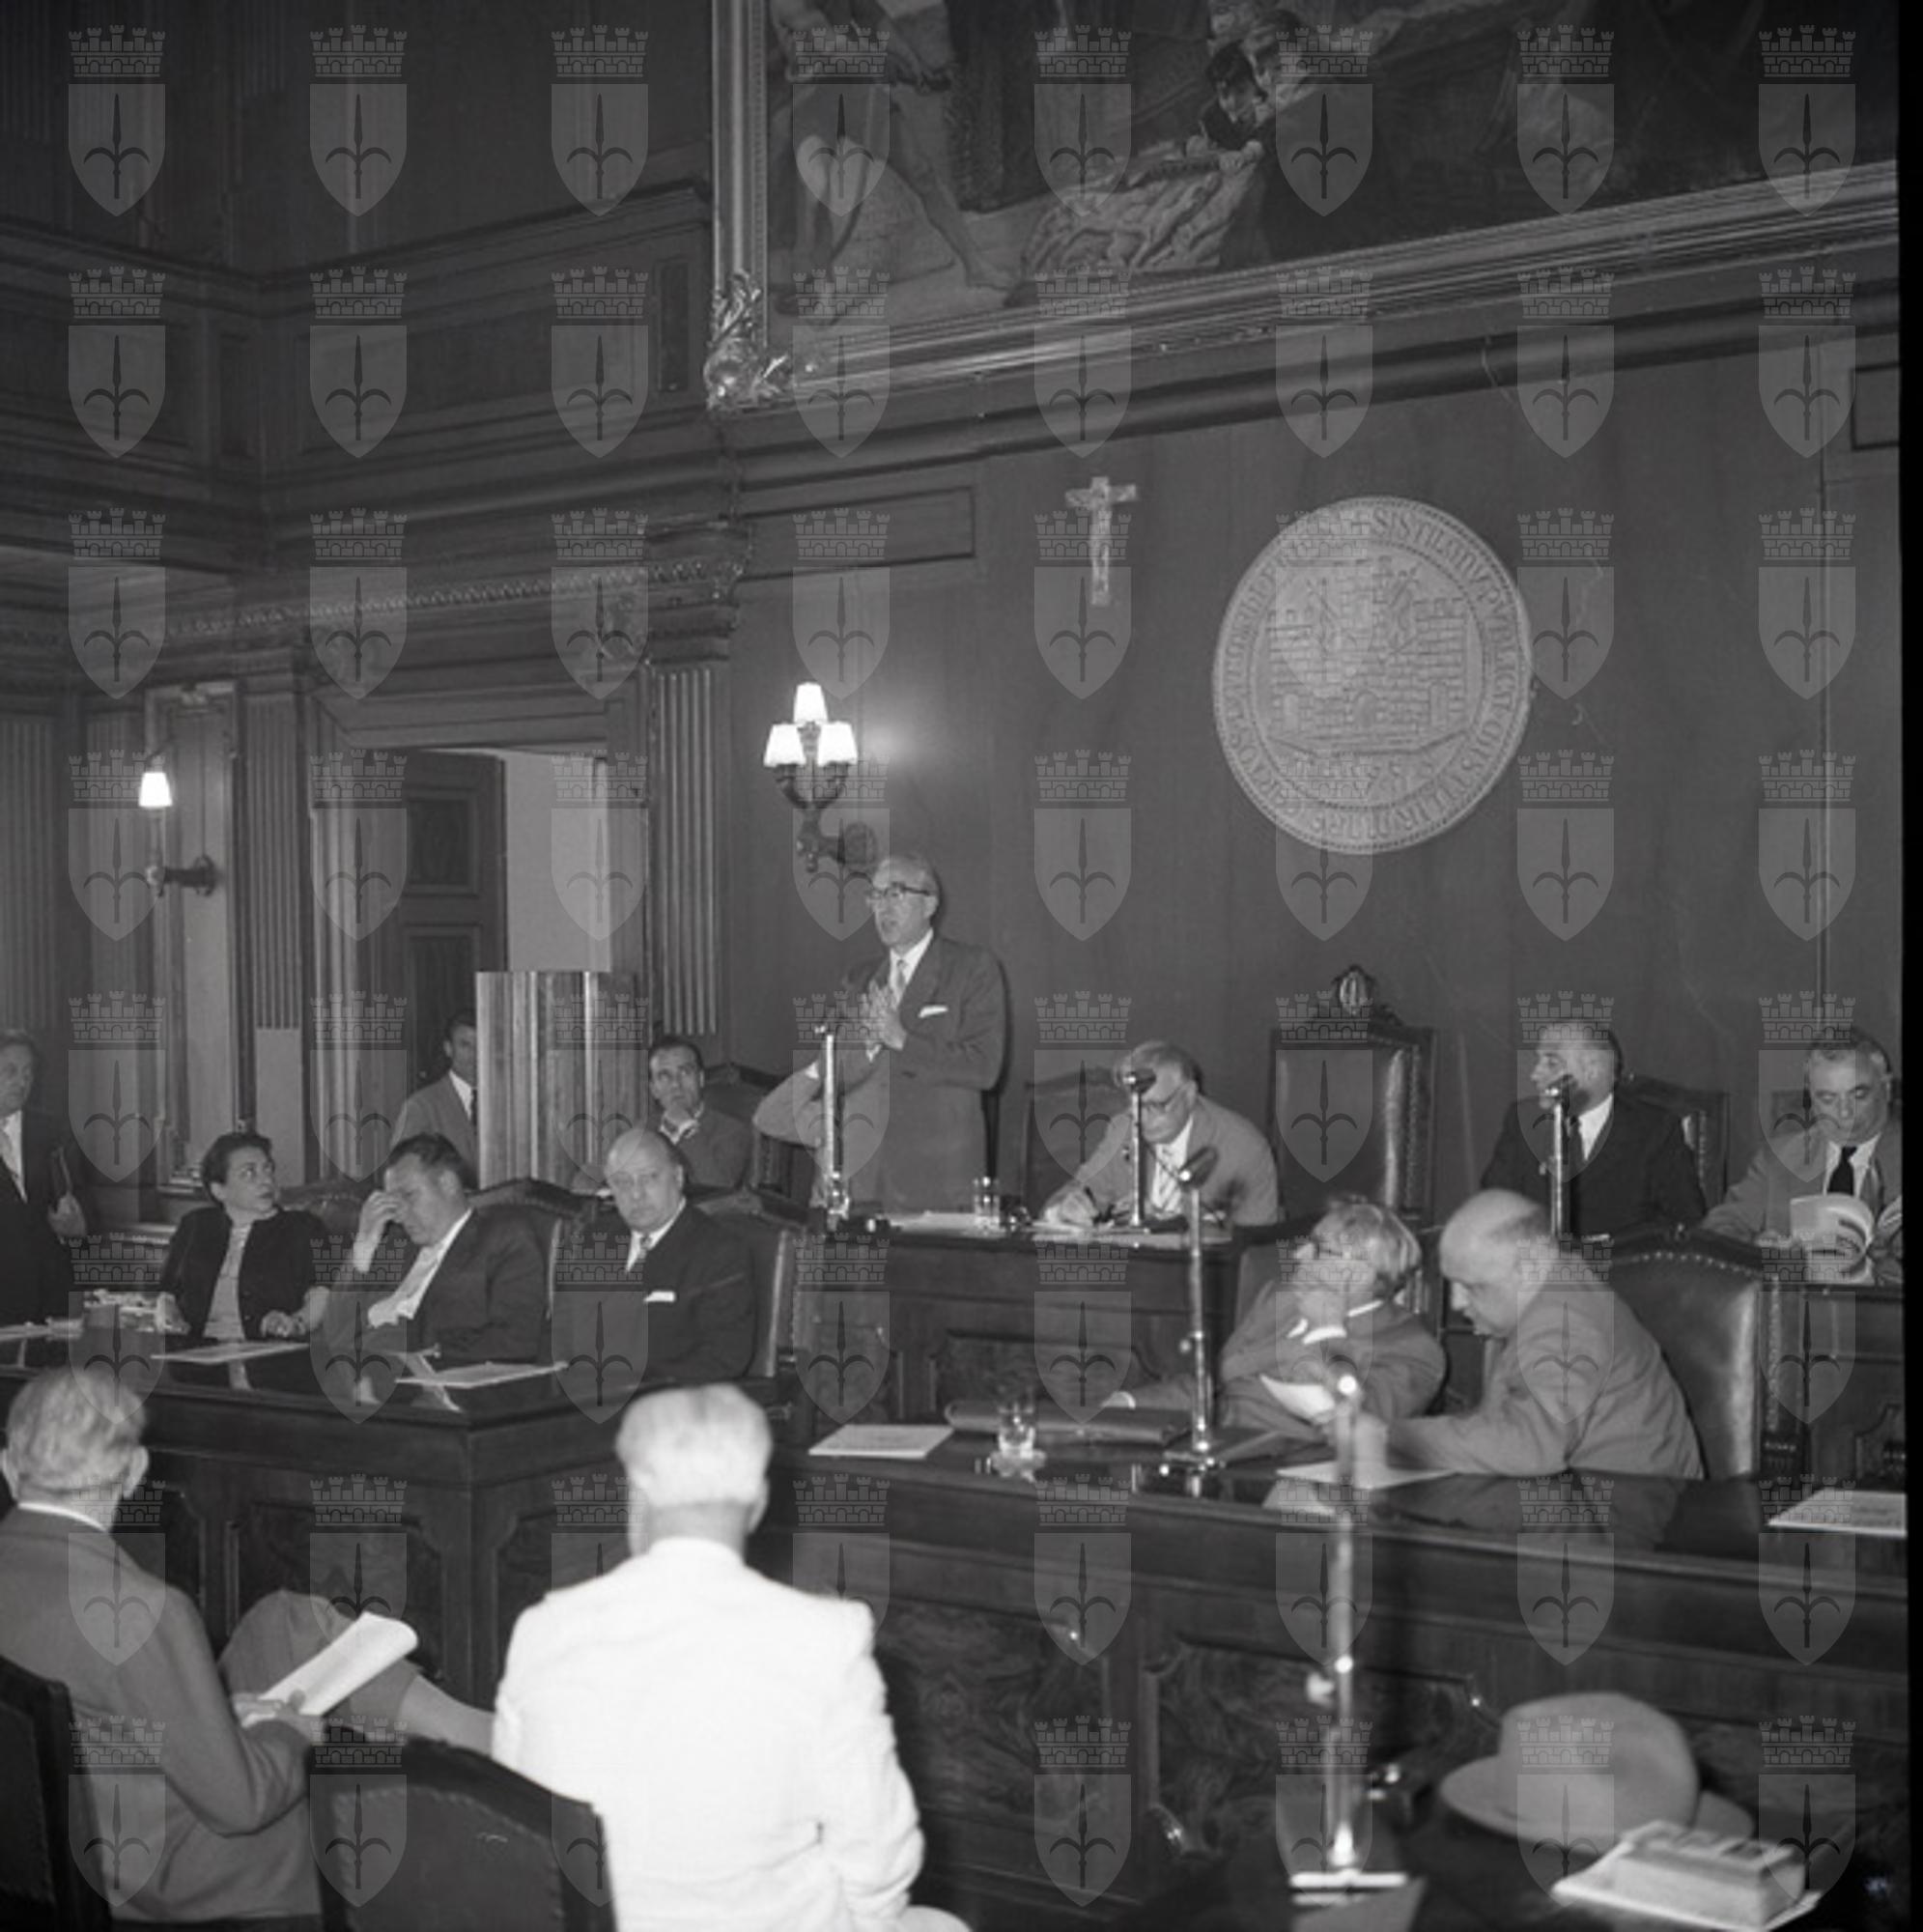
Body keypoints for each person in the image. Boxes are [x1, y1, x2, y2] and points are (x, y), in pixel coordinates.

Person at [0, 1366, 490, 1920]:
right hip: (171, 1873)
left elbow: (89, 1710)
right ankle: (484, 1769)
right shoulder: (145, 1613)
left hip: (65, 1842)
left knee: (282, 1623)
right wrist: (291, 1732)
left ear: (9, 1467)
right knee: (417, 1828)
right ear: (134, 1471)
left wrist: (218, 1714)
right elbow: (244, 1804)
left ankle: (473, 1737)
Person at [494, 1383, 968, 1932]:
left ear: (637, 1494)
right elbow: (880, 1857)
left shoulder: (544, 1629)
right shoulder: (824, 1639)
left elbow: (515, 1828)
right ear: (758, 1505)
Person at [1354, 1191, 1702, 1479]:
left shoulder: (1564, 1323)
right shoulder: (1556, 1288)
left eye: (1473, 1287)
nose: (1457, 1303)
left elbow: (1528, 1447)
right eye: (1452, 1284)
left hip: (1627, 1520)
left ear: (1529, 1268)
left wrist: (1389, 1437)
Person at [756, 852, 1008, 1213]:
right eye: (875, 896)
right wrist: (866, 1049)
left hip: (937, 1182)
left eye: (896, 893)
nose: (883, 907)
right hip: (866, 1183)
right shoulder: (859, 980)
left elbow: (984, 1068)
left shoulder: (971, 968)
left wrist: (902, 1039)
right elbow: (839, 1074)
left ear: (930, 904)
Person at [1111, 1197, 1443, 1443]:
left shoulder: (1412, 1348)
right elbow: (1214, 1384)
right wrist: (1126, 1403)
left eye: (1318, 1249)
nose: (1299, 1255)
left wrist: (1327, 1329)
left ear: (1359, 1274)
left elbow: (1351, 1421)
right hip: (1205, 1445)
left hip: (1293, 1477)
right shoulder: (1280, 1301)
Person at [305, 1132, 548, 1363]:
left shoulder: (502, 1238)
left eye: (409, 1196)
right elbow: (335, 1328)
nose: (399, 1213)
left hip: (422, 1374)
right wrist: (365, 1242)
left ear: (448, 1183)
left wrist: (413, 1350)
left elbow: (518, 1339)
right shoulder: (396, 1244)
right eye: (393, 1201)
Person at [558, 1127, 757, 1385]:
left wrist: (629, 1382)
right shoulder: (592, 1242)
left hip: (664, 1399)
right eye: (622, 1182)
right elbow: (557, 1333)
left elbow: (723, 1359)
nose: (636, 1194)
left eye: (649, 1178)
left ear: (678, 1177)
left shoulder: (719, 1252)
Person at [1482, 1020, 1706, 1238]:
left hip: (1624, 1261)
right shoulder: (1524, 1121)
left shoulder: (1655, 1130)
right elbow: (1492, 1209)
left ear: (1592, 1069)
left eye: (1551, 1063)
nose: (1534, 1075)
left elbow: (1685, 1223)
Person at [1704, 1031, 1902, 1263]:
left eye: (1858, 1095)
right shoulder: (1779, 1158)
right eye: (1828, 1099)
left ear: (1887, 1089)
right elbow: (1718, 1229)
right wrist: (1756, 1245)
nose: (1844, 1112)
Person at [1042, 1040, 1280, 1230]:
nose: (1141, 1118)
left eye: (1155, 1106)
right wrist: (1064, 1209)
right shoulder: (1123, 1128)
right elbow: (1073, 1191)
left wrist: (1168, 1223)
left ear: (1189, 1094)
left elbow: (1257, 1250)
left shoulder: (1242, 1146)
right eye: (1133, 1104)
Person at [153, 1131, 325, 1343]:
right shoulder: (195, 1225)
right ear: (219, 1190)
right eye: (249, 1173)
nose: (266, 1181)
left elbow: (322, 1293)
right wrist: (169, 1317)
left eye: (268, 1169)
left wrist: (296, 1323)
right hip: (196, 1350)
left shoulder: (303, 1228)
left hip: (269, 1351)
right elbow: (167, 1293)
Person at [0, 1028, 90, 1324]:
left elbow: (86, 1202)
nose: (21, 1082)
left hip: (51, 1295)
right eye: (10, 1071)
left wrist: (78, 1226)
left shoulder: (53, 1131)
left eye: (28, 1073)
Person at [649, 1036, 752, 1193]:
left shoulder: (732, 1131)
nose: (676, 1084)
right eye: (664, 1076)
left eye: (685, 1072)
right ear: (654, 1089)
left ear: (701, 1079)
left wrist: (687, 1129)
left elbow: (718, 1188)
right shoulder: (642, 1130)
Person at [390, 1009, 479, 1178]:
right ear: (448, 1049)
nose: (475, 1055)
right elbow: (402, 1175)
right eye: (465, 1045)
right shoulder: (421, 1106)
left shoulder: (505, 1103)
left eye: (481, 1046)